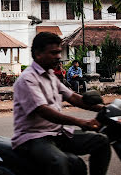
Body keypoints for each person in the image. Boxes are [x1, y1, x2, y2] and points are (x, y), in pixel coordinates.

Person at [12, 32, 110, 175]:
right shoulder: (28, 79)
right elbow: (43, 110)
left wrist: (106, 110)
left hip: (56, 134)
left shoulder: (51, 75)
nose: (58, 56)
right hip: (33, 138)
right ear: (38, 54)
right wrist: (81, 122)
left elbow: (74, 98)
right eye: (53, 53)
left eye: (58, 52)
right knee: (59, 161)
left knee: (101, 141)